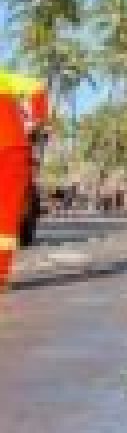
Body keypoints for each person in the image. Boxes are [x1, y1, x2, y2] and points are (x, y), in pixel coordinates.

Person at [0, 70, 47, 292]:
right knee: (7, 218)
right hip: (14, 150)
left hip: (13, 150)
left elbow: (38, 88)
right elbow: (38, 87)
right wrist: (36, 121)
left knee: (7, 219)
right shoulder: (3, 79)